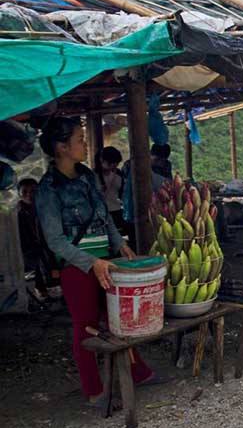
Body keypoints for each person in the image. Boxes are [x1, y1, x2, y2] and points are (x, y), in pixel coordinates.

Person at [35, 117, 157, 409]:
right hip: (77, 268)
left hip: (107, 261)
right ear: (61, 147)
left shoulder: (87, 176)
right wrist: (91, 263)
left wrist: (119, 243)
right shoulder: (48, 189)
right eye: (79, 139)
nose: (85, 143)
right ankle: (95, 391)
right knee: (86, 328)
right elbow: (56, 241)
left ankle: (137, 372)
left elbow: (103, 216)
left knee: (118, 318)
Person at [16, 178, 56, 299]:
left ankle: (50, 291)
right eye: (25, 192)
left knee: (50, 267)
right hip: (28, 249)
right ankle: (42, 293)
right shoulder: (17, 212)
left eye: (33, 191)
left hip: (46, 245)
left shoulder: (45, 208)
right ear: (19, 194)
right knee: (36, 272)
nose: (29, 194)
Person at [94, 146, 126, 235]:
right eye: (111, 163)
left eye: (116, 163)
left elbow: (122, 194)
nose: (113, 166)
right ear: (101, 160)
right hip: (101, 214)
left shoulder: (118, 174)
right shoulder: (92, 176)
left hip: (117, 212)